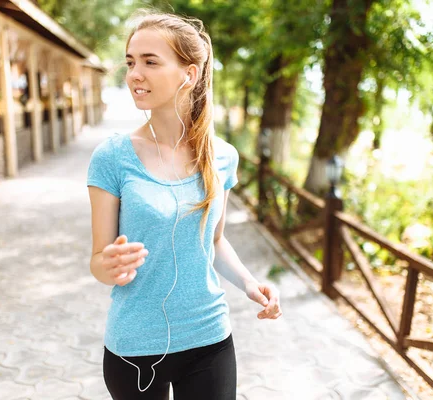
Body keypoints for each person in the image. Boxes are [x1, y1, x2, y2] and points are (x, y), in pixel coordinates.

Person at [86, 10, 282, 400]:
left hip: (209, 336)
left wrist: (249, 283)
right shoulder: (112, 157)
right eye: (130, 62)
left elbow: (215, 240)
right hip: (135, 346)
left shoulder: (221, 156)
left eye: (150, 62)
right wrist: (109, 267)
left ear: (188, 74)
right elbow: (98, 261)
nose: (134, 74)